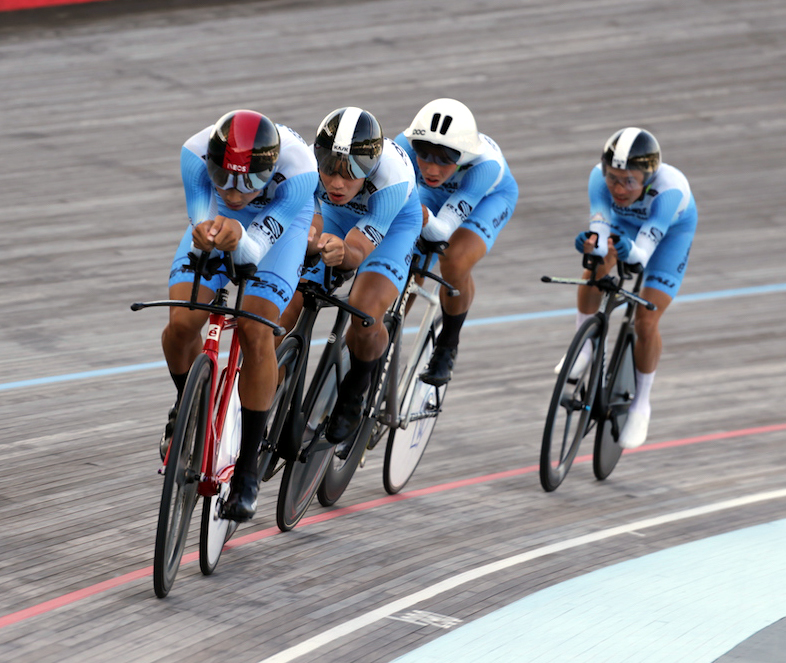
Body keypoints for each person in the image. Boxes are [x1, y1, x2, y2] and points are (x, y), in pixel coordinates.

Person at [161, 109, 318, 522]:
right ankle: (188, 404)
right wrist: (208, 229)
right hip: (219, 224)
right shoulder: (194, 154)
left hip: (278, 231)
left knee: (254, 329)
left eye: (249, 182)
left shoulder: (301, 170)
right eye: (223, 177)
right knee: (180, 326)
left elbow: (251, 251)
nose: (233, 191)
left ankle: (247, 471)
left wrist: (237, 239)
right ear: (210, 163)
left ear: (269, 171)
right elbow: (205, 222)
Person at [284, 106, 422, 453]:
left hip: (391, 227)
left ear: (372, 168)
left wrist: (340, 254)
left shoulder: (393, 180)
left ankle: (358, 384)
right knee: (286, 299)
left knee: (364, 313)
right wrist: (314, 244)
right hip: (334, 215)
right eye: (329, 168)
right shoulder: (308, 168)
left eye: (352, 173)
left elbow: (358, 250)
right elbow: (311, 222)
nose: (336, 182)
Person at [565, 127, 698, 449]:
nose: (619, 189)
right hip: (624, 226)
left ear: (648, 178)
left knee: (645, 320)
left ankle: (642, 405)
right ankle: (584, 347)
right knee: (595, 269)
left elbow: (640, 255)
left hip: (668, 236)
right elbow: (599, 231)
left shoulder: (669, 191)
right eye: (613, 178)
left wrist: (626, 250)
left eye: (629, 181)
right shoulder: (598, 178)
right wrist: (591, 245)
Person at [394, 98, 519, 386]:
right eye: (424, 155)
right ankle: (388, 328)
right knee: (406, 255)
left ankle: (447, 345)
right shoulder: (402, 145)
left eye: (444, 158)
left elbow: (441, 230)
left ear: (462, 156)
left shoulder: (485, 166)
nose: (432, 168)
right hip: (435, 196)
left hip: (485, 200)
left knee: (454, 259)